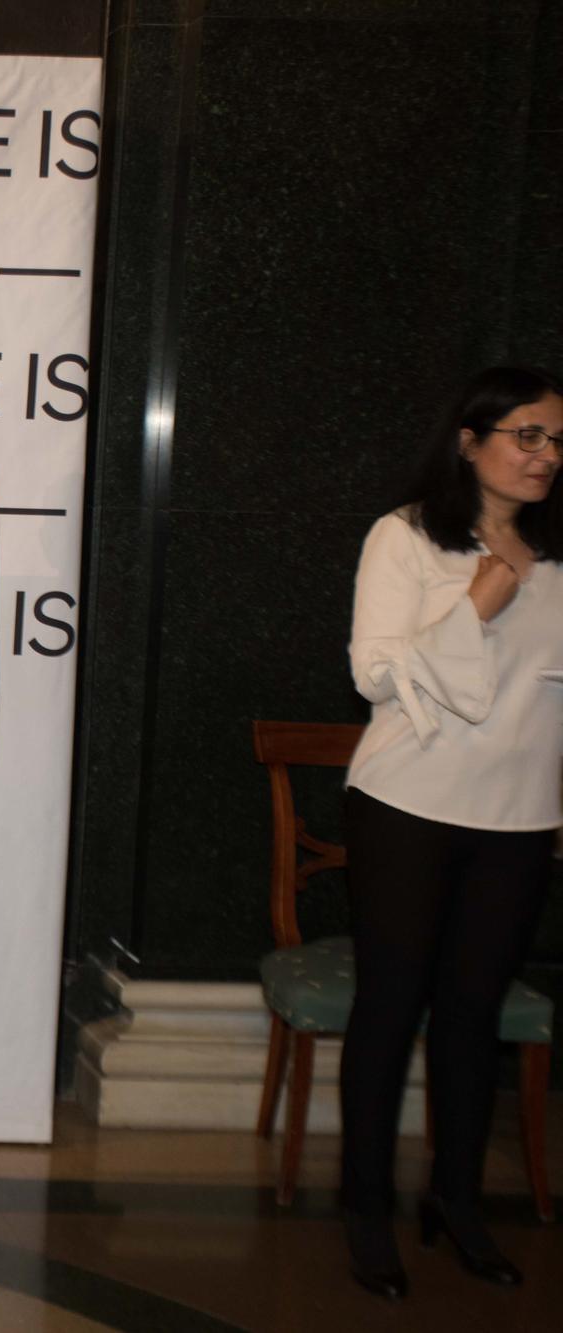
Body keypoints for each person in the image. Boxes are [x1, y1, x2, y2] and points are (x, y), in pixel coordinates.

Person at [338, 365, 563, 1299]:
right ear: (469, 441)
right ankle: (363, 1210)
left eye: (556, 441)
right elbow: (375, 676)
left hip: (519, 814)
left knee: (475, 1019)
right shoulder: (405, 537)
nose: (545, 455)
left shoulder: (559, 552)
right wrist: (475, 603)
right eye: (527, 435)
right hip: (407, 807)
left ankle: (457, 1203)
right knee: (391, 1009)